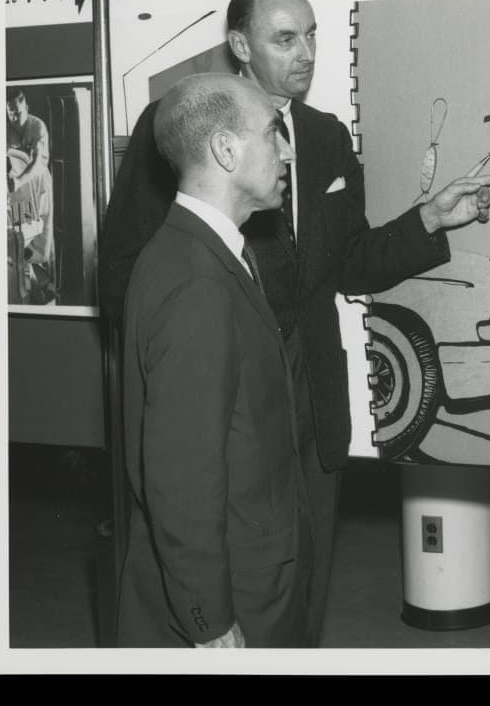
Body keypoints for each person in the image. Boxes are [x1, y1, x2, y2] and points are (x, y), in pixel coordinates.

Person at [100, 0, 490, 646]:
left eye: (312, 35)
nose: (306, 53)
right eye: (285, 39)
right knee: (219, 578)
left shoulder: (323, 136)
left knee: (295, 589)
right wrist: (188, 373)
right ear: (240, 46)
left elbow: (350, 261)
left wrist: (430, 220)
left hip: (309, 398)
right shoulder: (181, 125)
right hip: (223, 396)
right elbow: (128, 273)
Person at [116, 73, 305, 647]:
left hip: (243, 565)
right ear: (226, 150)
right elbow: (182, 476)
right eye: (273, 133)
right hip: (235, 590)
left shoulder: (195, 251)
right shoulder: (198, 281)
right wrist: (210, 620)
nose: (288, 151)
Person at [7, 87, 55, 302]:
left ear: (26, 107)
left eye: (18, 112)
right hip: (16, 192)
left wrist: (19, 180)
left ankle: (47, 287)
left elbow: (37, 163)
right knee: (21, 240)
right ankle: (29, 288)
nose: (14, 118)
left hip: (39, 186)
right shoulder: (3, 127)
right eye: (10, 113)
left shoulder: (37, 126)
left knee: (43, 241)